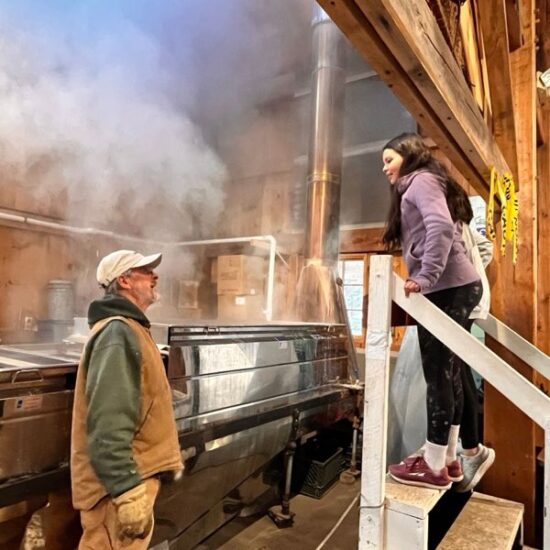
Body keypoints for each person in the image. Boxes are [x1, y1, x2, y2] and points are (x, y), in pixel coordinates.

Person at [381, 133, 483, 490]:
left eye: (389, 160)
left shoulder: (420, 182)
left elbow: (439, 227)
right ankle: (449, 458)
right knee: (450, 376)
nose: (385, 168)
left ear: (408, 157)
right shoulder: (430, 182)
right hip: (458, 288)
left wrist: (425, 275)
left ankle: (434, 466)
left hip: (448, 289)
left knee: (438, 376)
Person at [71, 249, 183, 549]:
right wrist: (127, 491)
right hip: (118, 491)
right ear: (124, 280)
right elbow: (109, 420)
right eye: (145, 270)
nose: (154, 276)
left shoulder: (130, 328)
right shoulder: (117, 332)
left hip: (131, 480)